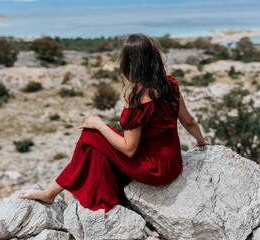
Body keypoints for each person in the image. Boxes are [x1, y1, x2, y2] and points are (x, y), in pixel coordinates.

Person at [18, 33, 209, 211]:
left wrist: (99, 124)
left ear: (129, 64)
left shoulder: (136, 98)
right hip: (173, 165)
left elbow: (129, 149)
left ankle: (50, 194)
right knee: (99, 138)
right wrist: (201, 141)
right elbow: (189, 121)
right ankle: (56, 191)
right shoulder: (170, 84)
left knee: (90, 134)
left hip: (154, 171)